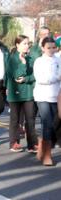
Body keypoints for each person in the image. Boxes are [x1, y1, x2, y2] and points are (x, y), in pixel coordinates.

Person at [6, 35, 38, 153]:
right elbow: (16, 76)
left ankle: (32, 144)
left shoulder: (31, 58)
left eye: (28, 43)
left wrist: (27, 79)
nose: (26, 46)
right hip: (15, 93)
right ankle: (14, 142)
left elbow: (35, 75)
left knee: (30, 120)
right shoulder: (12, 59)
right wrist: (23, 63)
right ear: (17, 45)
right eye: (24, 43)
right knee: (15, 119)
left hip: (28, 92)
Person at [33, 37, 61, 166]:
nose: (51, 50)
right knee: (47, 123)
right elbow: (41, 79)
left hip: (56, 96)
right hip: (43, 96)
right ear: (43, 48)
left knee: (56, 125)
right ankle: (46, 155)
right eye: (48, 47)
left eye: (53, 47)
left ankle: (42, 146)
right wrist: (56, 77)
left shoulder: (58, 59)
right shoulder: (39, 61)